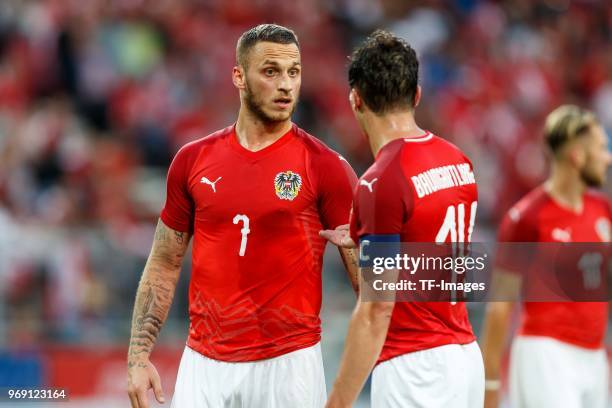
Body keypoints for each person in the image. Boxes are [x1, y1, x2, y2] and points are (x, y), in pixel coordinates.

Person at [126, 24, 359, 408]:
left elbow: (368, 283)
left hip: (290, 365)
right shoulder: (193, 160)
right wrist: (137, 357)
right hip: (204, 364)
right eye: (271, 71)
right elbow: (164, 262)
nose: (286, 84)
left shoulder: (326, 167)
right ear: (239, 76)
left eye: (294, 72)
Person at [320, 30, 483, 408]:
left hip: (415, 368)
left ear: (355, 100)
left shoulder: (379, 182)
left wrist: (339, 402)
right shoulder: (458, 160)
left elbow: (377, 308)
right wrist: (369, 234)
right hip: (463, 356)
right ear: (417, 95)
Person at [481, 105, 611, 408]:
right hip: (546, 354)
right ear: (577, 156)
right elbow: (499, 308)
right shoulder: (526, 218)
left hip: (594, 355)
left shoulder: (602, 210)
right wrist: (490, 384)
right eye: (602, 148)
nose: (608, 157)